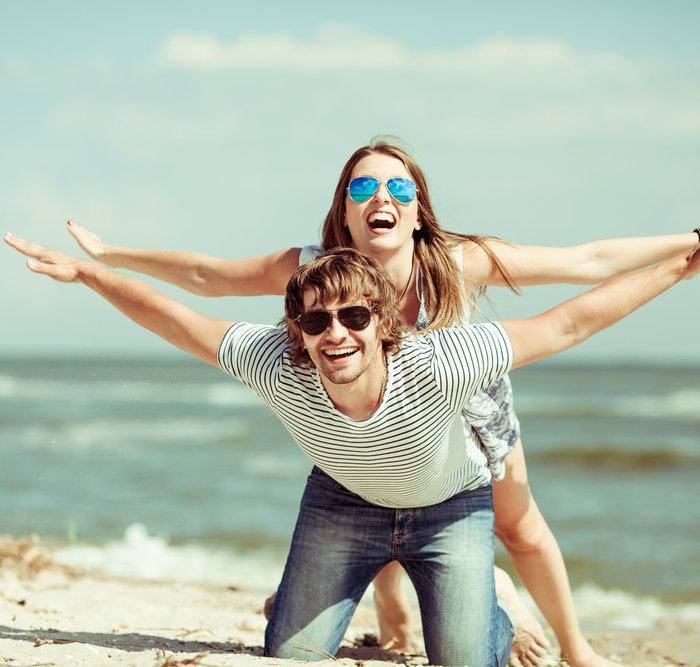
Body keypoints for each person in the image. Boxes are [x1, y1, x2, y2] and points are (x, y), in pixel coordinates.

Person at [60, 140, 700, 667]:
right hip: (368, 428)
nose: (381, 199)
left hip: (465, 406)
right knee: (371, 479)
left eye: (398, 189)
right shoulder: (314, 272)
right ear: (344, 212)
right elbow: (207, 277)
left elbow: (585, 266)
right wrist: (113, 257)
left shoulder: (453, 262)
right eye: (362, 190)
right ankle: (389, 608)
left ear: (419, 209)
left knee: (519, 527)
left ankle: (570, 641)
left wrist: (685, 247)